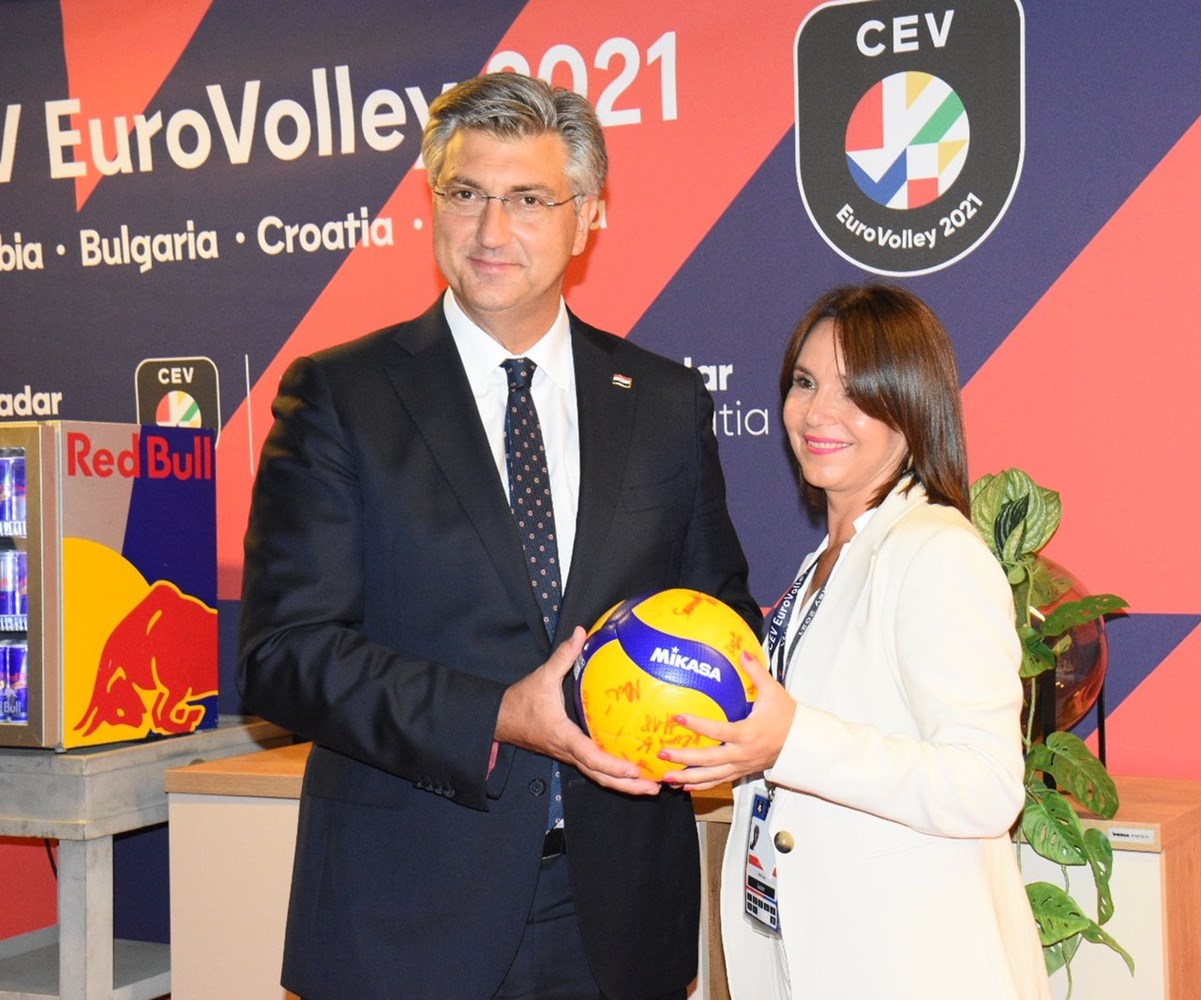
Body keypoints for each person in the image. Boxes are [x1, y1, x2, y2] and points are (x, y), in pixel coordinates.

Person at [236, 72, 759, 1000]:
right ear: (432, 203)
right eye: (465, 193)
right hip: (403, 920)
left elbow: (720, 614)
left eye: (527, 199)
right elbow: (284, 655)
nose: (489, 230)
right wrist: (498, 715)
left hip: (617, 921)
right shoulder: (339, 396)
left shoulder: (664, 403)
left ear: (586, 216)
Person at [663, 285, 1051, 998]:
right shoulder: (830, 558)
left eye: (854, 391)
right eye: (805, 382)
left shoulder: (936, 551)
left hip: (913, 968)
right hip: (813, 957)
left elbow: (988, 786)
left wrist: (789, 740)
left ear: (911, 407)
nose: (818, 413)